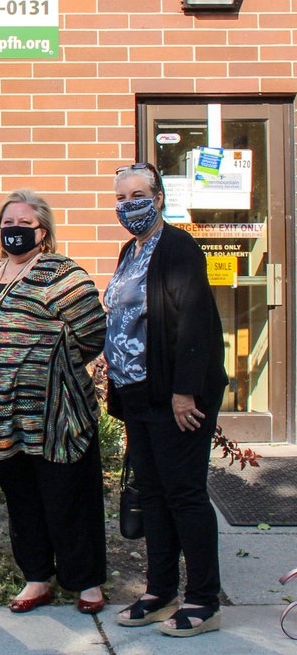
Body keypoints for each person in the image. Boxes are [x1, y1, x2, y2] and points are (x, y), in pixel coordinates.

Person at [105, 163, 228, 638]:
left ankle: (203, 600)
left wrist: (184, 391)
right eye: (121, 198)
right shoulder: (129, 249)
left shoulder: (178, 248)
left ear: (158, 198)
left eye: (138, 195)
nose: (129, 205)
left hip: (174, 396)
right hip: (137, 394)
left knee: (185, 494)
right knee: (152, 494)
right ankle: (160, 592)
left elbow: (195, 322)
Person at [0, 189, 107, 615]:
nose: (13, 230)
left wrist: (49, 367)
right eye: (7, 223)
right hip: (5, 414)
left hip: (56, 412)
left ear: (43, 232)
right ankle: (36, 578)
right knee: (22, 498)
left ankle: (85, 582)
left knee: (67, 495)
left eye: (23, 224)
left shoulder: (61, 274)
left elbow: (91, 334)